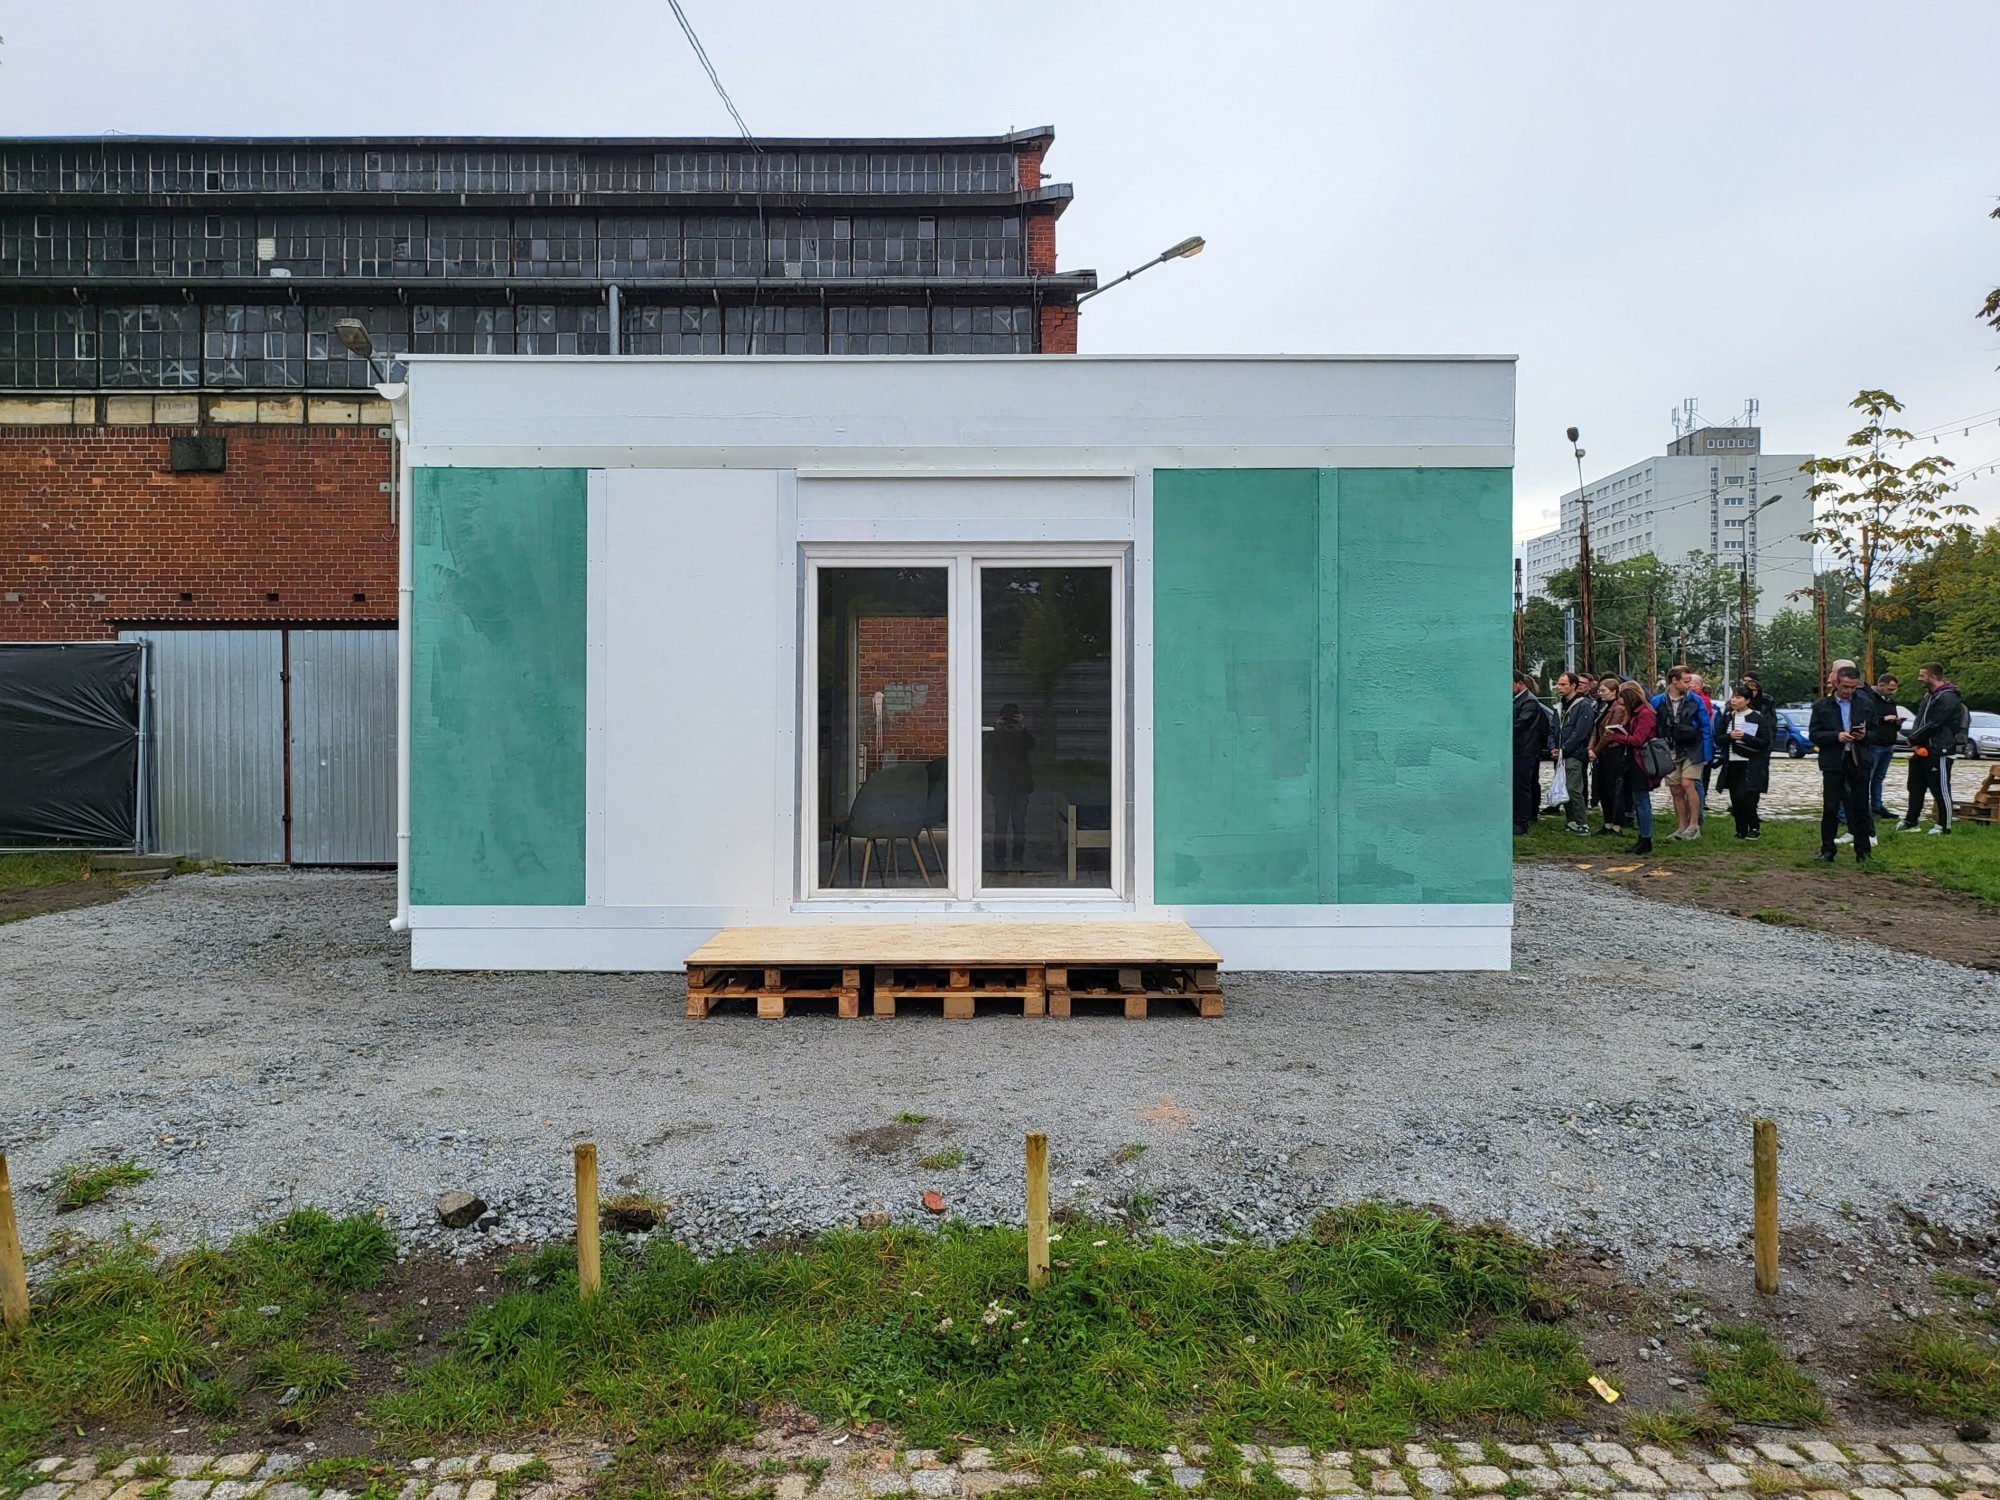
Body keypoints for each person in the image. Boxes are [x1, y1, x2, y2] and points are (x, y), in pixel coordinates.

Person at [1810, 666, 1879, 863]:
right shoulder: (1822, 706)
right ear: (1836, 684)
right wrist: (1836, 736)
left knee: (1860, 806)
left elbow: (1877, 733)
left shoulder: (1865, 704)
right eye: (1845, 687)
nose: (1849, 691)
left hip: (1859, 760)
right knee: (1831, 807)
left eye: (1853, 687)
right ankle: (1827, 850)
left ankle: (1863, 851)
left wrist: (1864, 736)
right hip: (1834, 760)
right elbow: (1814, 735)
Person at [1650, 666, 1713, 841]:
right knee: (1675, 788)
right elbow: (1654, 725)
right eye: (1686, 681)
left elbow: (1705, 726)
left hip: (1693, 747)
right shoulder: (1658, 701)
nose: (1689, 685)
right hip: (1669, 748)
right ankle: (1681, 827)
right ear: (1674, 681)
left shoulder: (1696, 701)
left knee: (1687, 783)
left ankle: (1694, 825)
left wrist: (1707, 753)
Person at [1596, 681, 1658, 854]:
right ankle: (1642, 837)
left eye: (1621, 695)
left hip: (1641, 762)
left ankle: (1646, 838)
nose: (1618, 699)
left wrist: (1617, 736)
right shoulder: (1635, 714)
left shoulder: (1645, 714)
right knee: (1637, 800)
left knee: (1642, 801)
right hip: (1633, 761)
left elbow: (1638, 739)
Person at [1903, 661, 1964, 835]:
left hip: (1939, 748)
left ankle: (1944, 825)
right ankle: (1911, 822)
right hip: (1922, 748)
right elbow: (1920, 719)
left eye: (1922, 675)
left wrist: (1914, 737)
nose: (1919, 679)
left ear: (1933, 676)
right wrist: (1915, 741)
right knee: (1915, 786)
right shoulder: (1928, 696)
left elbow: (1936, 722)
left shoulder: (1947, 697)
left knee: (1940, 788)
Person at [1715, 682, 1773, 839]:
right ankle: (1740, 829)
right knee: (1735, 797)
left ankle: (1754, 827)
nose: (1734, 700)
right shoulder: (1727, 717)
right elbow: (1718, 738)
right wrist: (1730, 737)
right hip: (1731, 762)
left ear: (1747, 700)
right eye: (1733, 697)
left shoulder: (1756, 717)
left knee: (1746, 796)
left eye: (1738, 697)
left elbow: (1764, 741)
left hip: (1750, 762)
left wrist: (1745, 737)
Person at [986, 702, 1035, 870]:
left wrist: (1023, 727)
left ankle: (1017, 859)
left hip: (1019, 785)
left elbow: (1031, 746)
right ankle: (999, 860)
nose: (1009, 722)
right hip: (1001, 785)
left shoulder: (1021, 734)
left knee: (1019, 824)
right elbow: (987, 748)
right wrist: (996, 731)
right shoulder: (998, 735)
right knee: (1000, 825)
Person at [1864, 674, 1911, 824]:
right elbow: (1867, 720)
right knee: (1868, 777)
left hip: (1889, 744)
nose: (1892, 692)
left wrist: (1897, 723)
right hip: (1875, 743)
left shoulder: (1890, 701)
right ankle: (1865, 807)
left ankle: (1877, 806)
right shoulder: (1870, 699)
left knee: (1879, 778)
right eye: (1890, 689)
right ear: (1881, 685)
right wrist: (1883, 719)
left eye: (1894, 689)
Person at [1555, 670, 1598, 835]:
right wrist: (1553, 746)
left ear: (1573, 686)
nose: (1559, 687)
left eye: (1563, 684)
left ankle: (1582, 823)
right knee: (1564, 788)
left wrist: (1564, 748)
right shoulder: (1561, 704)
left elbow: (1580, 732)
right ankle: (1571, 821)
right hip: (1560, 754)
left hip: (1574, 754)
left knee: (1573, 788)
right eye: (1559, 684)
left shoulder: (1583, 705)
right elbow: (1555, 727)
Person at [1512, 670, 1554, 836]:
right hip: (1518, 749)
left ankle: (1523, 821)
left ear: (1519, 683)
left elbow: (1520, 724)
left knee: (1523, 786)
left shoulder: (1529, 702)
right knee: (1517, 786)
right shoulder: (1518, 700)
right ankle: (1517, 818)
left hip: (1525, 750)